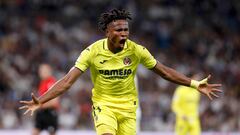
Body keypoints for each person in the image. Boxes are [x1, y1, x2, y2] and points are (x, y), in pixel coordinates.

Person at [19, 9, 222, 135]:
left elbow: (164, 72)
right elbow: (67, 81)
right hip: (104, 106)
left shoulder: (136, 51)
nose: (124, 34)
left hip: (128, 109)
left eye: (126, 29)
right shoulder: (92, 52)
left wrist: (195, 84)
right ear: (107, 32)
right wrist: (42, 100)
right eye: (118, 30)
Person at [32, 64, 60, 135]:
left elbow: (54, 102)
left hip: (50, 113)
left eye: (44, 71)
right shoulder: (42, 83)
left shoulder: (51, 83)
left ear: (49, 71)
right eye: (40, 71)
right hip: (42, 112)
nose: (41, 72)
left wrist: (39, 105)